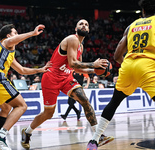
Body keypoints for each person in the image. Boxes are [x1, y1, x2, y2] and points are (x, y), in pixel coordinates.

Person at [21, 19, 114, 149]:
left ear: (89, 30)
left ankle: (99, 136)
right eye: (81, 24)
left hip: (66, 78)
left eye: (86, 24)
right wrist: (94, 64)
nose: (84, 25)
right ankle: (27, 132)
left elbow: (77, 69)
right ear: (76, 29)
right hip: (51, 78)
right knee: (48, 113)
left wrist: (95, 71)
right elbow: (72, 63)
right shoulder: (72, 39)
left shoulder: (81, 46)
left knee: (84, 100)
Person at [87, 0, 155, 149]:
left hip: (128, 65)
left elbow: (117, 55)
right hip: (148, 65)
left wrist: (129, 67)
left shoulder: (132, 26)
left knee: (114, 102)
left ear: (143, 11)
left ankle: (94, 140)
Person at [0, 24, 51, 150]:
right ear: (8, 35)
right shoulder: (5, 42)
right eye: (15, 32)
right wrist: (32, 33)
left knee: (6, 108)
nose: (17, 35)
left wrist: (40, 69)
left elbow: (22, 70)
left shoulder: (7, 52)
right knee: (21, 106)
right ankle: (0, 137)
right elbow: (12, 40)